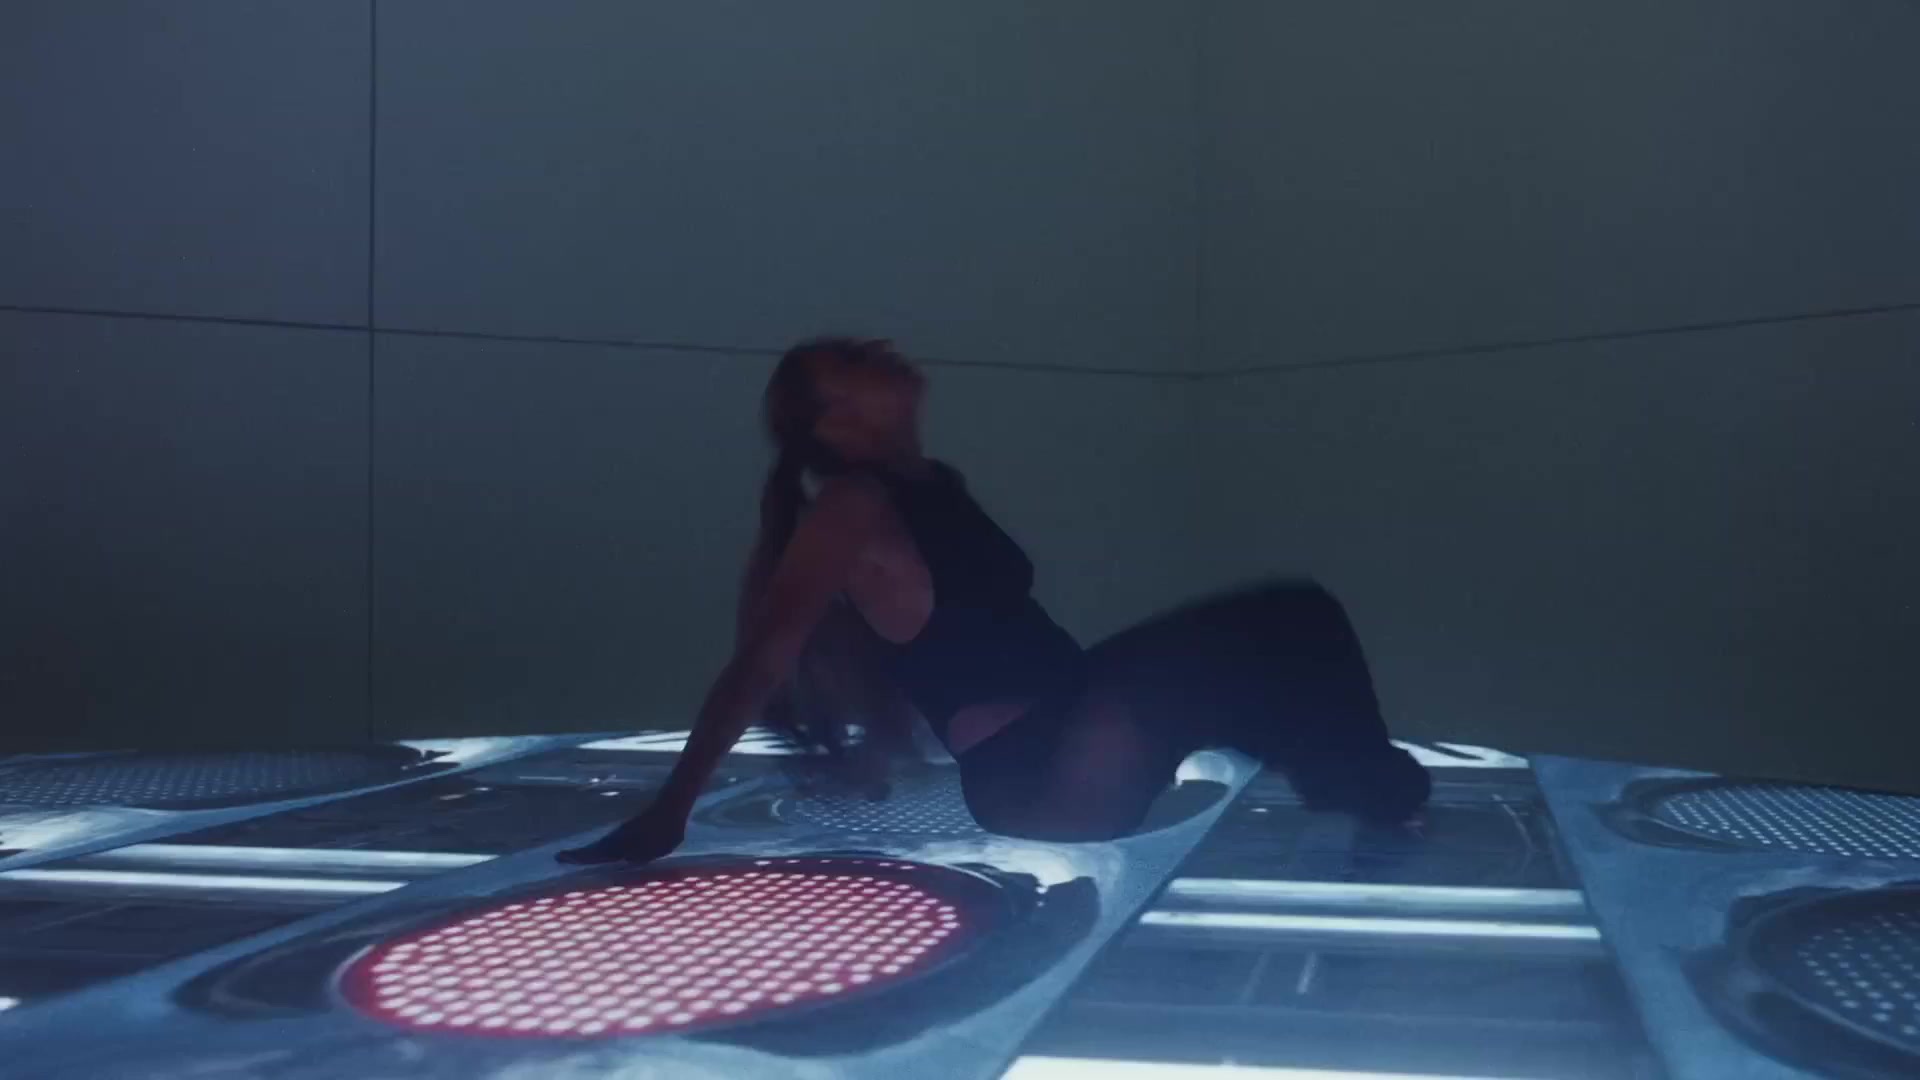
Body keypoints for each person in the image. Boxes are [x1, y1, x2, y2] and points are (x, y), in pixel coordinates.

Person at [557, 337, 1429, 864]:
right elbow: (763, 657)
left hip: (1076, 730)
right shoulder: (853, 506)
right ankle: (1372, 796)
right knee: (1291, 615)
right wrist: (670, 811)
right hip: (1043, 766)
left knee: (1284, 641)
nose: (881, 349)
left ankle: (1361, 797)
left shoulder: (933, 484)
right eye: (855, 362)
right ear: (835, 424)